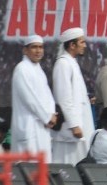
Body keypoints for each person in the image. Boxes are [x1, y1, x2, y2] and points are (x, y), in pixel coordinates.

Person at [11, 35, 57, 163]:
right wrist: (47, 117)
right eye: (34, 47)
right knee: (27, 171)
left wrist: (52, 114)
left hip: (42, 126)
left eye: (41, 47)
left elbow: (48, 96)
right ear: (25, 50)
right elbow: (29, 99)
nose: (38, 51)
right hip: (28, 126)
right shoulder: (22, 69)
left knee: (43, 171)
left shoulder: (38, 70)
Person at [52, 27, 95, 165]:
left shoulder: (71, 62)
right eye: (82, 42)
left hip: (80, 126)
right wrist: (74, 125)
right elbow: (63, 98)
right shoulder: (63, 64)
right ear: (72, 45)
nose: (85, 45)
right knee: (67, 166)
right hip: (71, 128)